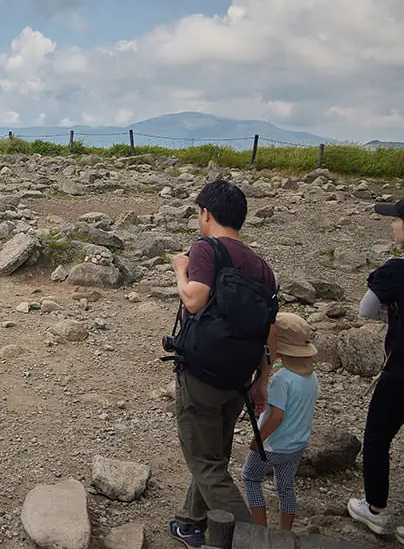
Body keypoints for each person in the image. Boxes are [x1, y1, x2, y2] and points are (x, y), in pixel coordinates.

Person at [167, 180, 278, 547]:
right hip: (239, 377)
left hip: (202, 373)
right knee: (213, 454)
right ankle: (192, 521)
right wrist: (262, 380)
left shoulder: (206, 249)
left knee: (206, 463)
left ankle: (254, 541)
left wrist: (180, 269)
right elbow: (269, 330)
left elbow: (194, 300)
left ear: (207, 214)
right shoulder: (260, 266)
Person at [347, 192, 404, 548]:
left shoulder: (397, 269)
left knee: (378, 435)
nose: (394, 224)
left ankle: (376, 508)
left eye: (398, 220)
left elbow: (367, 309)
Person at [241, 312, 320, 531]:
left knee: (250, 478)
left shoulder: (281, 380)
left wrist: (258, 440)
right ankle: (285, 533)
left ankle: (261, 530)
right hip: (297, 445)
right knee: (285, 487)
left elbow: (276, 416)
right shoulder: (312, 378)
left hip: (272, 446)